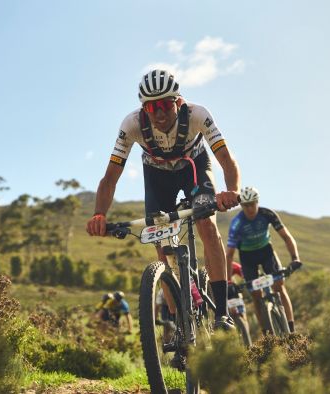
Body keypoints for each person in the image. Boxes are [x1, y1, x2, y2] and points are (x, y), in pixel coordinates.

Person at [86, 69, 241, 330]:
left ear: (178, 103)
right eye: (151, 107)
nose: (158, 113)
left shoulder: (198, 115)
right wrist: (99, 214)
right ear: (143, 109)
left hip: (194, 168)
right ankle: (180, 322)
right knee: (162, 243)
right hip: (157, 176)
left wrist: (231, 189)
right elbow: (110, 177)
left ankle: (222, 315)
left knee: (206, 224)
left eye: (164, 105)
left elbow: (226, 158)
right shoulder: (131, 125)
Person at [226, 186, 301, 334]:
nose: (250, 208)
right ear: (241, 206)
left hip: (266, 252)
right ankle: (267, 334)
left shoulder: (267, 214)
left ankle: (291, 329)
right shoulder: (237, 223)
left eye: (252, 203)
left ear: (257, 202)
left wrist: (295, 258)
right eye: (246, 205)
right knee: (256, 296)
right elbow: (229, 255)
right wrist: (228, 281)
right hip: (248, 258)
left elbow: (286, 236)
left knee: (279, 287)